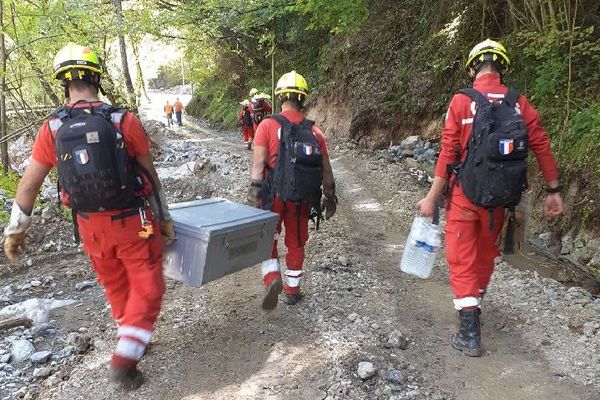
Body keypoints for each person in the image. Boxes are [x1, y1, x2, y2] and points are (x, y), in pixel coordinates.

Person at [2, 43, 175, 389]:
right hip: (132, 222)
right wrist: (165, 220)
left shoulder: (51, 129)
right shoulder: (124, 120)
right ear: (97, 78)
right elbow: (151, 179)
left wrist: (15, 231)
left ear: (63, 83)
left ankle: (133, 334)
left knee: (115, 283)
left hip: (88, 228)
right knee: (149, 285)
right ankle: (126, 357)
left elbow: (29, 185)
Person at [416, 39, 563, 357]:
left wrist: (431, 198)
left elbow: (447, 153)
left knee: (460, 257)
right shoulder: (519, 103)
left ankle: (469, 331)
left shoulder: (461, 102)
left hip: (465, 197)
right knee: (484, 256)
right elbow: (541, 146)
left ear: (473, 68)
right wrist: (554, 191)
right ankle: (474, 304)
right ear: (502, 67)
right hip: (501, 199)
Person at [247, 71, 338, 309]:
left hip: (272, 193)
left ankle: (272, 277)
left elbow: (258, 165)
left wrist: (254, 192)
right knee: (296, 242)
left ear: (279, 97)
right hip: (301, 196)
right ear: (303, 98)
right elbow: (326, 172)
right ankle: (293, 290)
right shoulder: (314, 131)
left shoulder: (266, 125)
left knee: (269, 238)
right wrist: (330, 197)